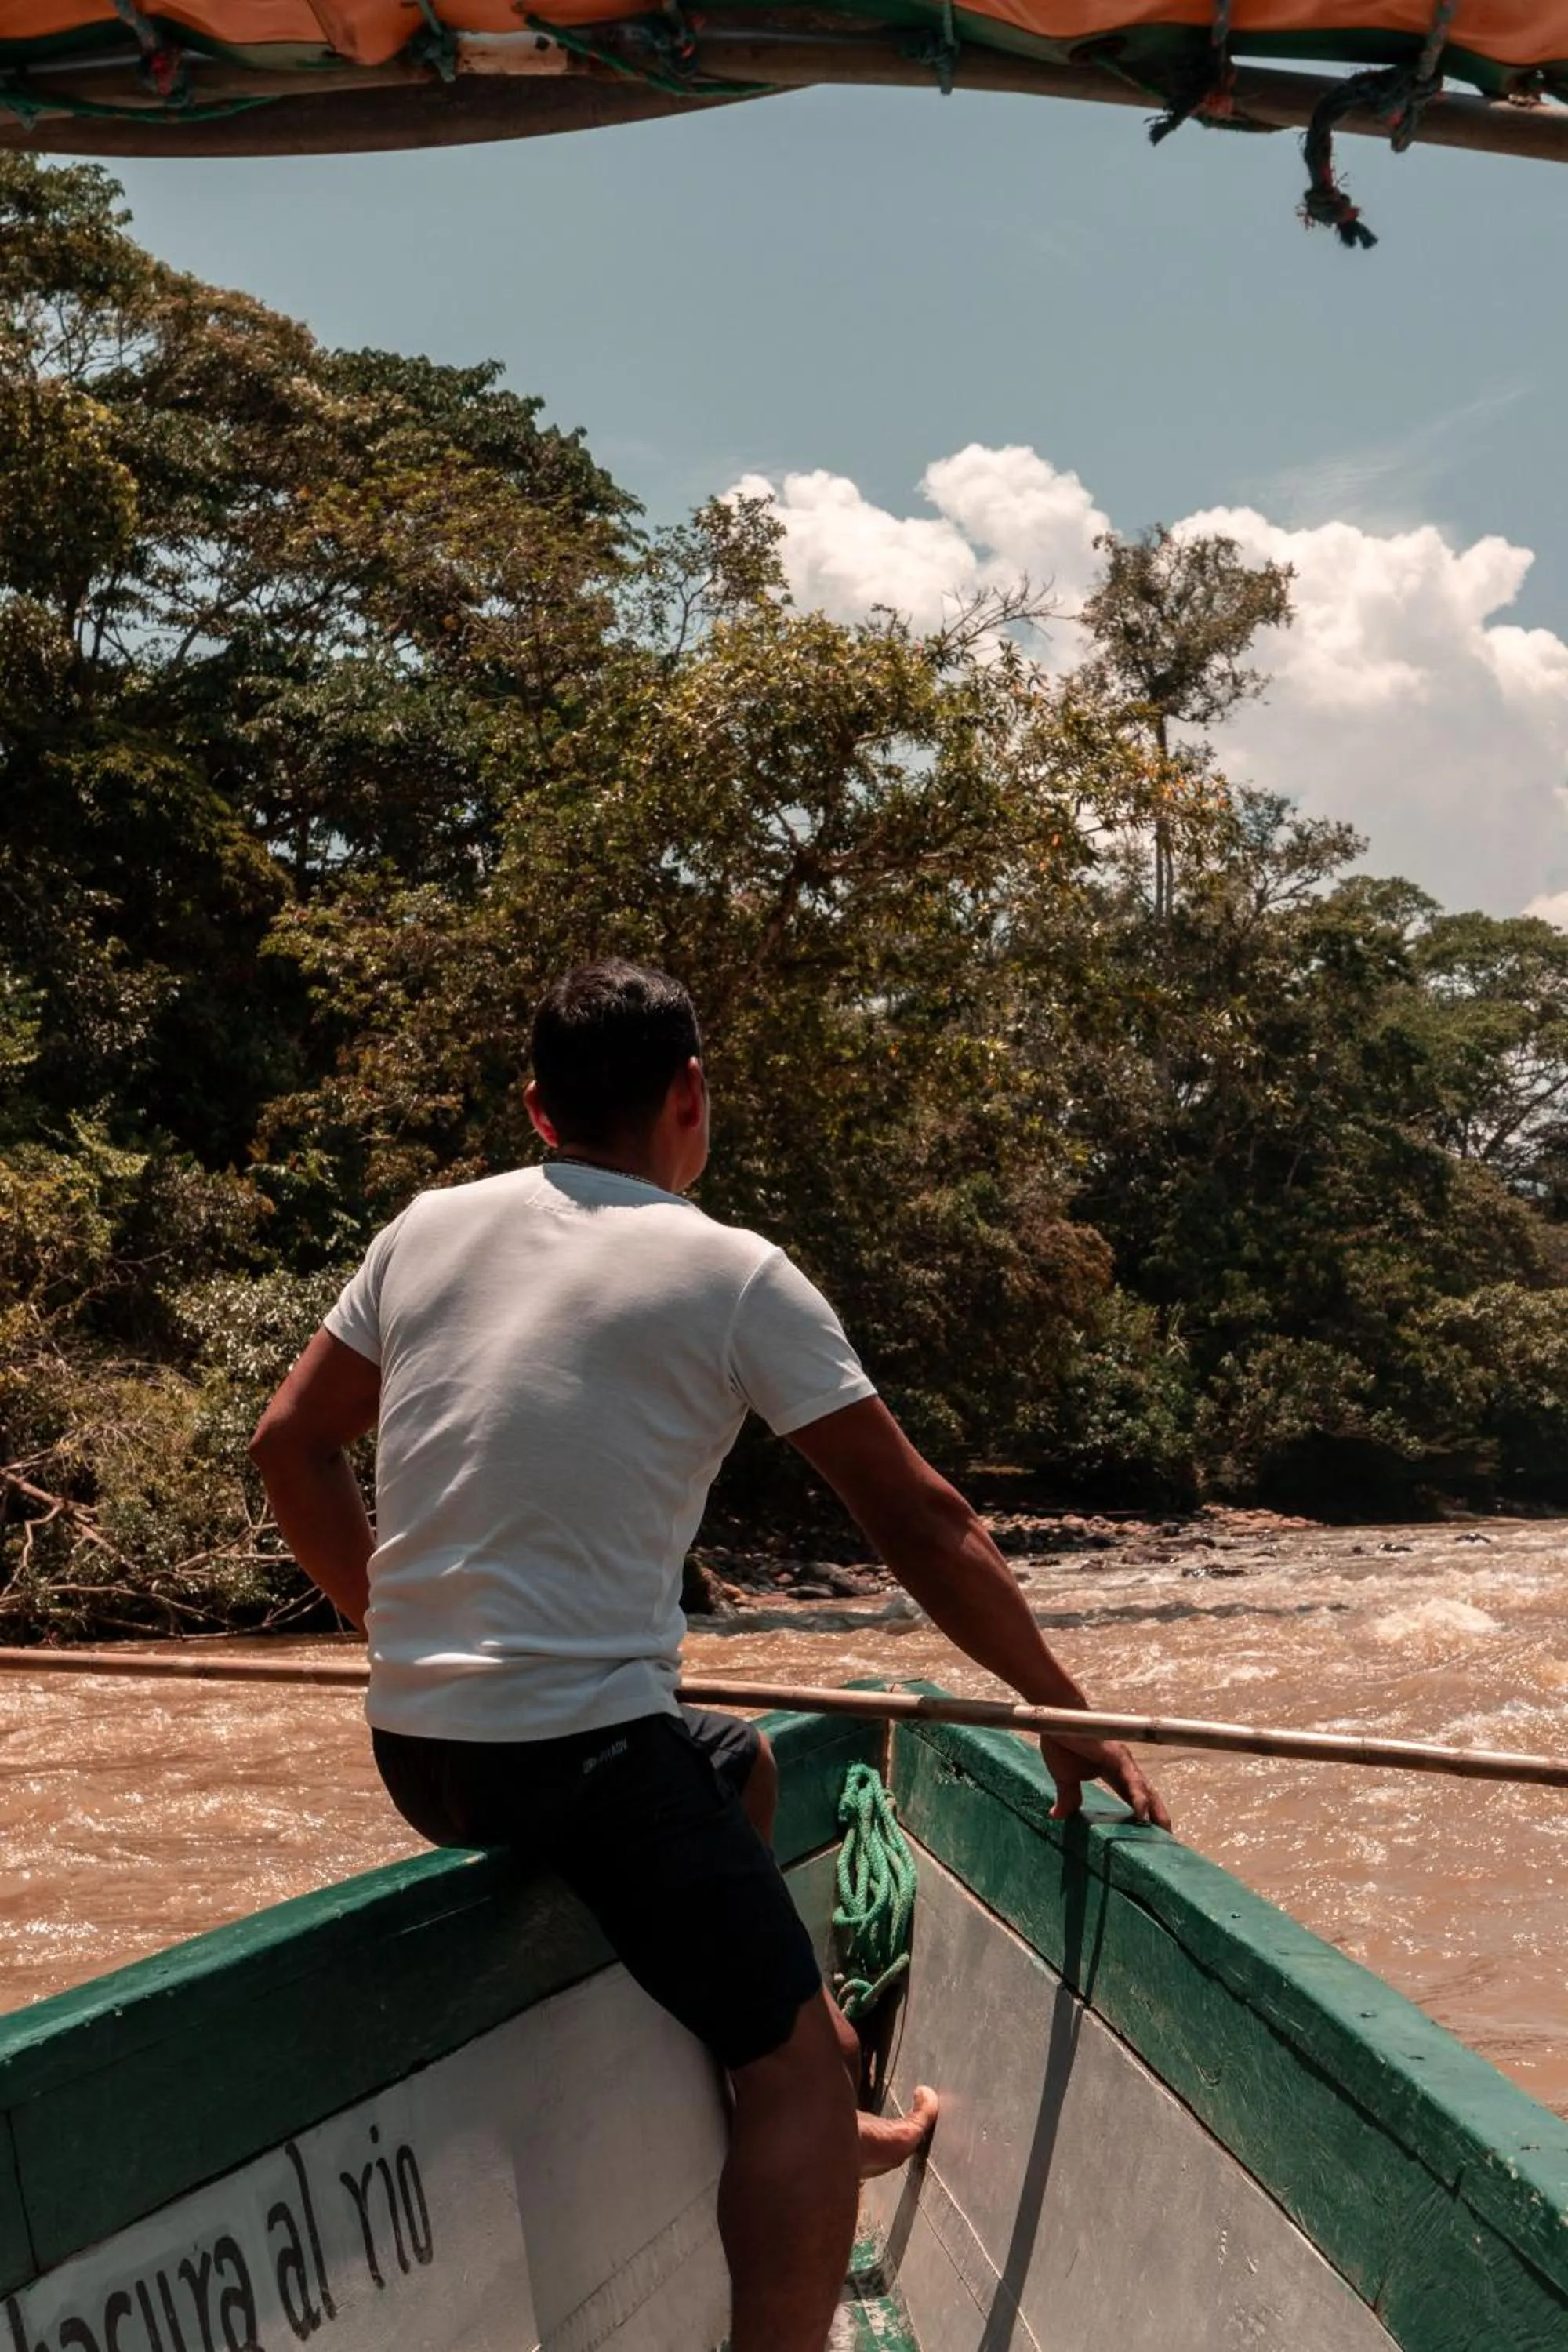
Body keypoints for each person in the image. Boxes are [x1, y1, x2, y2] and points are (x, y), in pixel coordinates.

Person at [249, 958, 1171, 2352]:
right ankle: (804, 2108)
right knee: (804, 2064)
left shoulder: (424, 1228)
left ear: (537, 1111)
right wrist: (1059, 1705)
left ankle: (782, 2087)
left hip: (423, 1754)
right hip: (579, 1760)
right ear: (690, 1093)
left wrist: (397, 1626)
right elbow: (922, 1521)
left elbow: (288, 1445)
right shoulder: (734, 1270)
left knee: (734, 1762)